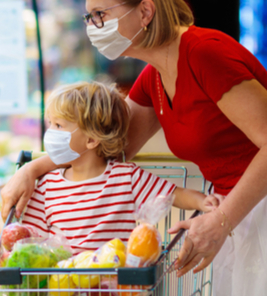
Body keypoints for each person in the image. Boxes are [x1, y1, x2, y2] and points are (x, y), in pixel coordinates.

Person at [1, 0, 267, 295]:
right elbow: (111, 145)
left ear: (145, 12)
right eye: (89, 17)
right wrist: (33, 169)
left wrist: (221, 222)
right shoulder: (154, 75)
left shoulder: (205, 53)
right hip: (236, 201)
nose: (93, 27)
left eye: (101, 15)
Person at [20, 81, 214, 254]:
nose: (51, 133)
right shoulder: (46, 186)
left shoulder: (126, 178)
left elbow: (175, 195)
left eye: (59, 126)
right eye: (50, 124)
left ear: (91, 139)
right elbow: (30, 240)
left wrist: (203, 202)